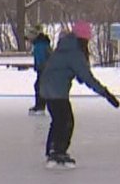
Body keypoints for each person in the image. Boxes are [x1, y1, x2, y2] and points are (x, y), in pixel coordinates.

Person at [37, 21, 119, 168]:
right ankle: (59, 151)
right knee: (67, 120)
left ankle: (52, 150)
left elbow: (74, 72)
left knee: (58, 120)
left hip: (46, 88)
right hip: (57, 90)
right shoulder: (75, 52)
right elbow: (87, 78)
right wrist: (106, 94)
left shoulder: (65, 46)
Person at [27, 26, 52, 115]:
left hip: (44, 69)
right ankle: (39, 106)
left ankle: (41, 107)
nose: (29, 39)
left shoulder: (40, 44)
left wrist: (40, 67)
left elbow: (42, 58)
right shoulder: (39, 44)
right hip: (43, 69)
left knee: (40, 86)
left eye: (30, 36)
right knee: (38, 86)